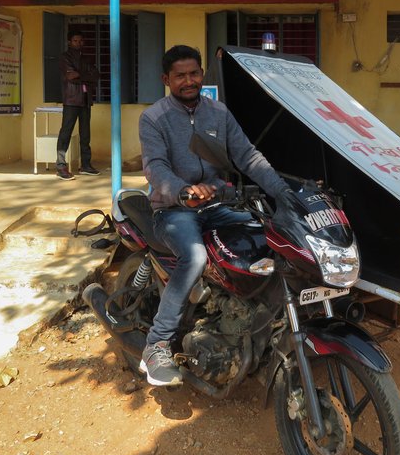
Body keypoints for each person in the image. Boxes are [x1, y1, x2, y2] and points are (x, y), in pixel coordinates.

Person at [138, 45, 289, 386]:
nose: (188, 81)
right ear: (166, 79)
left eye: (194, 73)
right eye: (180, 75)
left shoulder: (218, 113)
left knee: (265, 239)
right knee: (194, 257)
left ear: (202, 74)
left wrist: (282, 192)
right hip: (173, 209)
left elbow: (247, 156)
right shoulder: (154, 118)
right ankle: (156, 344)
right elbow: (156, 167)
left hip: (218, 206)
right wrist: (183, 190)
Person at [56, 29, 101, 180]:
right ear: (69, 42)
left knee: (85, 134)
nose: (79, 43)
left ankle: (86, 165)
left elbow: (96, 76)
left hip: (86, 99)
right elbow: (70, 76)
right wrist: (85, 75)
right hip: (71, 99)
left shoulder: (86, 58)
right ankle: (61, 166)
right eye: (75, 40)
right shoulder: (65, 57)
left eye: (81, 41)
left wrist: (81, 74)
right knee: (66, 132)